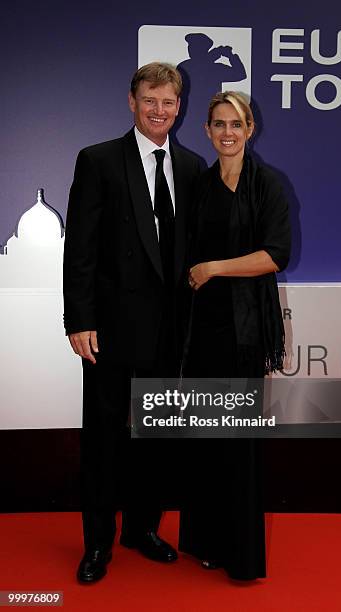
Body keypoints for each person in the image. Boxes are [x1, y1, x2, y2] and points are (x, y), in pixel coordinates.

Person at [63, 62, 203, 583]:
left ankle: (141, 529)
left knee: (156, 437)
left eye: (169, 102)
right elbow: (79, 247)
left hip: (169, 332)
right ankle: (97, 542)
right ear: (131, 101)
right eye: (151, 100)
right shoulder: (98, 160)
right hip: (111, 330)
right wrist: (79, 318)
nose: (160, 110)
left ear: (179, 107)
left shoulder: (190, 167)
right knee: (102, 438)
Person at [178, 91, 291, 580]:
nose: (227, 132)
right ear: (206, 131)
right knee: (205, 439)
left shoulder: (267, 183)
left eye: (236, 124)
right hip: (201, 330)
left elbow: (276, 255)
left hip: (245, 332)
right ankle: (208, 542)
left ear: (250, 130)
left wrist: (214, 268)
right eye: (218, 124)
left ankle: (242, 557)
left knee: (237, 441)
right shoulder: (199, 186)